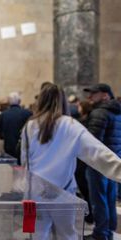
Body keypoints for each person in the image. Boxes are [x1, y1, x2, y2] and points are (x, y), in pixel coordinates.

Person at [20, 83, 121, 240]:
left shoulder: (30, 125)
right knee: (67, 235)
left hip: (35, 194)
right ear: (62, 101)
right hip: (63, 192)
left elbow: (24, 160)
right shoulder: (71, 125)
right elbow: (98, 153)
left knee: (38, 236)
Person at [83, 83, 121, 240]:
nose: (90, 97)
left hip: (98, 164)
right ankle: (109, 230)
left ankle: (101, 233)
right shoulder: (117, 112)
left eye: (94, 93)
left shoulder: (100, 113)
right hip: (114, 161)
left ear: (106, 95)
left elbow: (92, 142)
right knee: (110, 198)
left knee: (99, 199)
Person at [0, 91, 32, 162]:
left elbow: (0, 134)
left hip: (8, 148)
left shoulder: (3, 115)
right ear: (19, 101)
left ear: (9, 102)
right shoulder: (28, 113)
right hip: (23, 148)